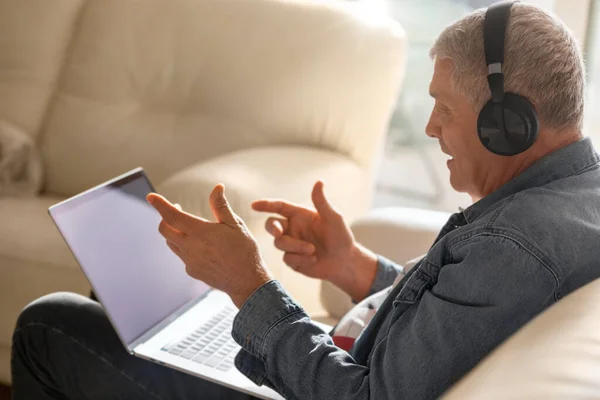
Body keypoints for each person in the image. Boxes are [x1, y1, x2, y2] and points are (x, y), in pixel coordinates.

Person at [10, 2, 600, 399]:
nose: (429, 129)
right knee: (122, 303)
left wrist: (249, 285)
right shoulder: (571, 199)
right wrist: (357, 269)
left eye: (444, 108)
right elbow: (451, 324)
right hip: (334, 360)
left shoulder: (514, 245)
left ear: (508, 124)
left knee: (50, 323)